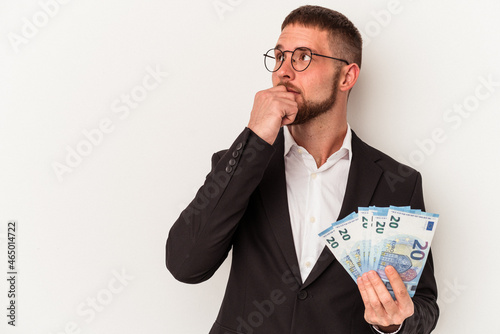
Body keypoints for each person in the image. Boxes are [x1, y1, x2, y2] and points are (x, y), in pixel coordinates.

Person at [166, 5, 438, 334]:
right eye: (280, 57)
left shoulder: (396, 183)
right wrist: (255, 137)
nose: (284, 71)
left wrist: (396, 323)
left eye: (304, 56)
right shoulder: (240, 163)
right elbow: (185, 264)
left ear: (347, 76)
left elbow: (422, 304)